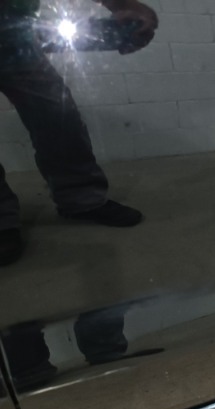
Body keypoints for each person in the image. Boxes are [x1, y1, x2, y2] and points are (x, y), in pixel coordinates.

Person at [0, 0, 158, 266]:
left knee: (58, 116)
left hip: (14, 34)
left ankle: (82, 200)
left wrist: (121, 4)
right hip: (16, 32)